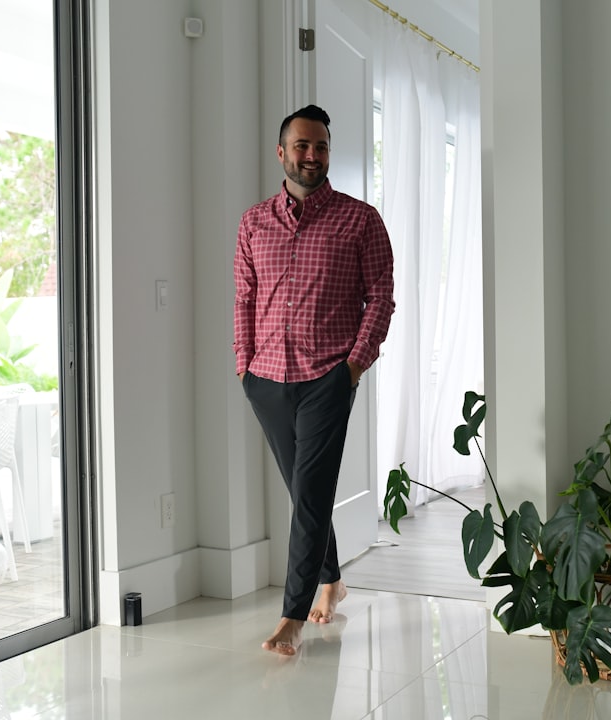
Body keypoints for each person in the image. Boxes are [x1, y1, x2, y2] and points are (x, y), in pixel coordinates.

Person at [232, 104, 395, 656]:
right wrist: (244, 364)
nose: (312, 155)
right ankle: (334, 579)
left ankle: (292, 617)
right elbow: (245, 297)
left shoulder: (361, 219)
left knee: (309, 495)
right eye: (302, 145)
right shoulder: (254, 221)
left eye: (321, 146)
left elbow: (381, 298)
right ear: (282, 152)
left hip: (327, 375)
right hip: (267, 378)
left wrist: (352, 365)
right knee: (306, 491)